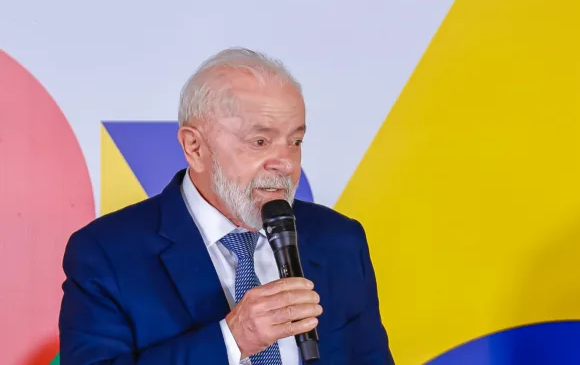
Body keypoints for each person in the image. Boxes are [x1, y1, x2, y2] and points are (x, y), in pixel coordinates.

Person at [58, 48, 393, 364]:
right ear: (195, 147)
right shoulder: (106, 253)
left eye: (295, 141)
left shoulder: (339, 240)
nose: (286, 164)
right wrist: (232, 339)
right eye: (259, 141)